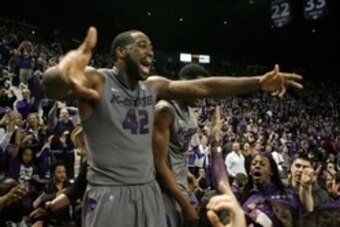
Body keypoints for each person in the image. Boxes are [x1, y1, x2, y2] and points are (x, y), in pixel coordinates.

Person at [41, 26, 302, 227]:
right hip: (111, 193)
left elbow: (204, 86)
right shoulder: (98, 80)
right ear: (120, 52)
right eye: (141, 45)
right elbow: (51, 86)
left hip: (148, 190)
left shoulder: (152, 87)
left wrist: (258, 82)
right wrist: (62, 72)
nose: (150, 52)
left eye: (151, 47)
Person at [152, 63, 210, 227]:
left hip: (180, 181)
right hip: (164, 188)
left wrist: (186, 173)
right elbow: (159, 163)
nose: (203, 94)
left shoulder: (191, 111)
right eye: (199, 88)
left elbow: (179, 150)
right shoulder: (164, 110)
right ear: (184, 83)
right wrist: (184, 203)